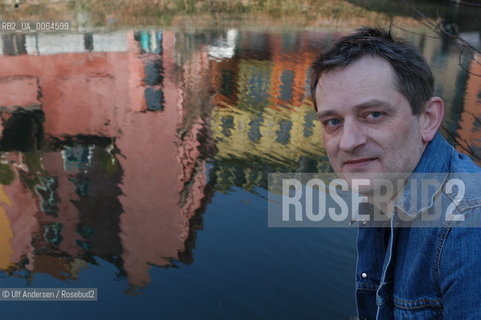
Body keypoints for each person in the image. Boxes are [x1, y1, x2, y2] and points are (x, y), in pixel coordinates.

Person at [310, 26, 481, 319]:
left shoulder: (467, 226)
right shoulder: (384, 189)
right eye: (333, 122)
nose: (349, 142)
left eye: (374, 115)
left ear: (428, 119)